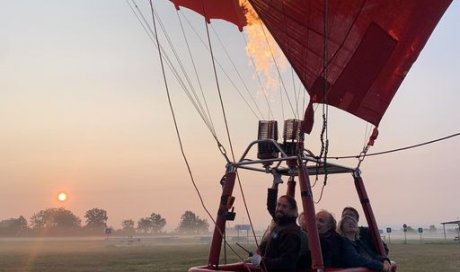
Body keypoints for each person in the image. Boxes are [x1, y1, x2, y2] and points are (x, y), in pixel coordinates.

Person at [249, 195, 301, 272]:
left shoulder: (290, 232)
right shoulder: (279, 226)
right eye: (278, 205)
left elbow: (286, 262)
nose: (280, 209)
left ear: (292, 210)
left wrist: (261, 261)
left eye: (284, 206)